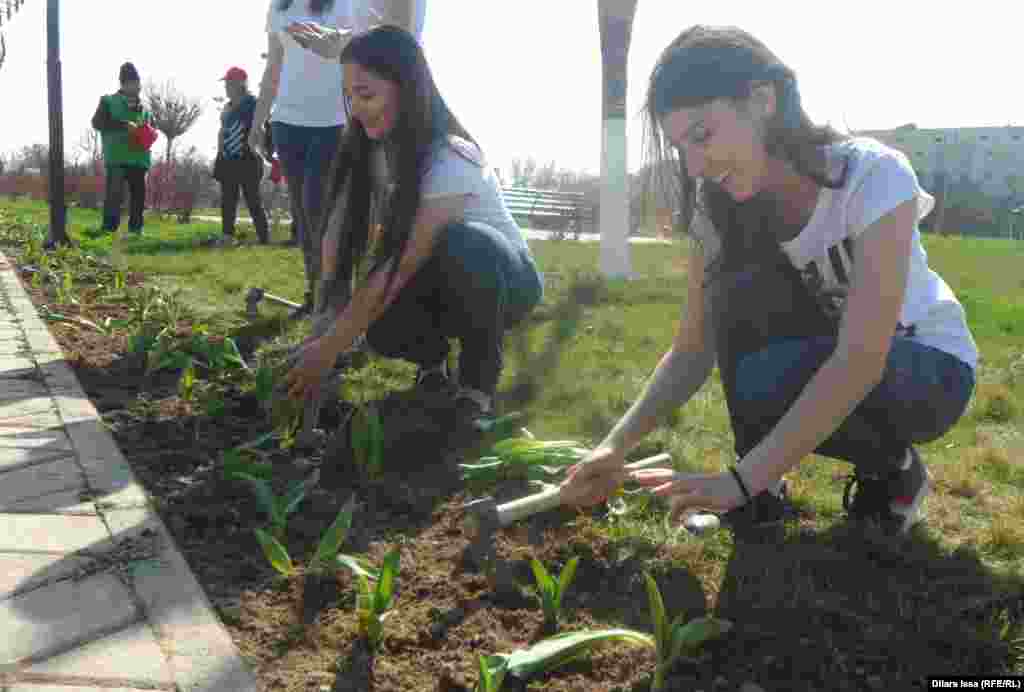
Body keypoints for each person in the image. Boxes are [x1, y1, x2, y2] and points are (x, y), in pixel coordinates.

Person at [560, 25, 978, 537]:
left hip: (927, 370)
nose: (694, 165)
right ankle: (765, 483)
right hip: (830, 358)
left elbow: (862, 356)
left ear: (762, 100)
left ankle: (891, 471)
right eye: (680, 148)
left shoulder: (872, 176)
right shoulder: (721, 216)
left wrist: (737, 482)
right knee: (737, 308)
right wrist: (613, 447)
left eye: (702, 135)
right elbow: (692, 351)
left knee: (781, 370)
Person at [284, 25, 543, 436]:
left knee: (466, 243)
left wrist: (331, 349)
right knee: (381, 330)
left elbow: (403, 262)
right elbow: (338, 230)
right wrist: (325, 320)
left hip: (505, 280)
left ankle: (476, 387)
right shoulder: (372, 150)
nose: (355, 109)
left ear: (406, 87)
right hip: (439, 276)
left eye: (366, 95)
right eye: (349, 96)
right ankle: (433, 366)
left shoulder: (452, 155)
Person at [249, 0, 425, 318]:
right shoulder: (279, 7)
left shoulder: (346, 4)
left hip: (335, 121)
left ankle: (338, 298)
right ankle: (316, 294)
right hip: (287, 122)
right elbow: (274, 68)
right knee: (303, 216)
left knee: (321, 211)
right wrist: (258, 121)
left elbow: (375, 42)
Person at [91, 62, 154, 235]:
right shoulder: (108, 102)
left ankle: (136, 230)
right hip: (117, 158)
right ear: (124, 84)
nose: (137, 86)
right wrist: (123, 125)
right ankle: (109, 230)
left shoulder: (145, 109)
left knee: (138, 197)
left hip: (139, 158)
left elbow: (151, 128)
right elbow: (97, 123)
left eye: (138, 82)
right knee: (114, 196)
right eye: (133, 82)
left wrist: (150, 133)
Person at [213, 66, 271, 245]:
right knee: (228, 199)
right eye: (226, 83)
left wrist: (265, 153)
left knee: (252, 199)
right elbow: (223, 132)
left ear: (240, 84)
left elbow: (264, 128)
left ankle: (264, 238)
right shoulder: (227, 108)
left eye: (229, 83)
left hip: (249, 159)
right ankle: (227, 236)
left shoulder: (253, 104)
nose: (226, 87)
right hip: (229, 159)